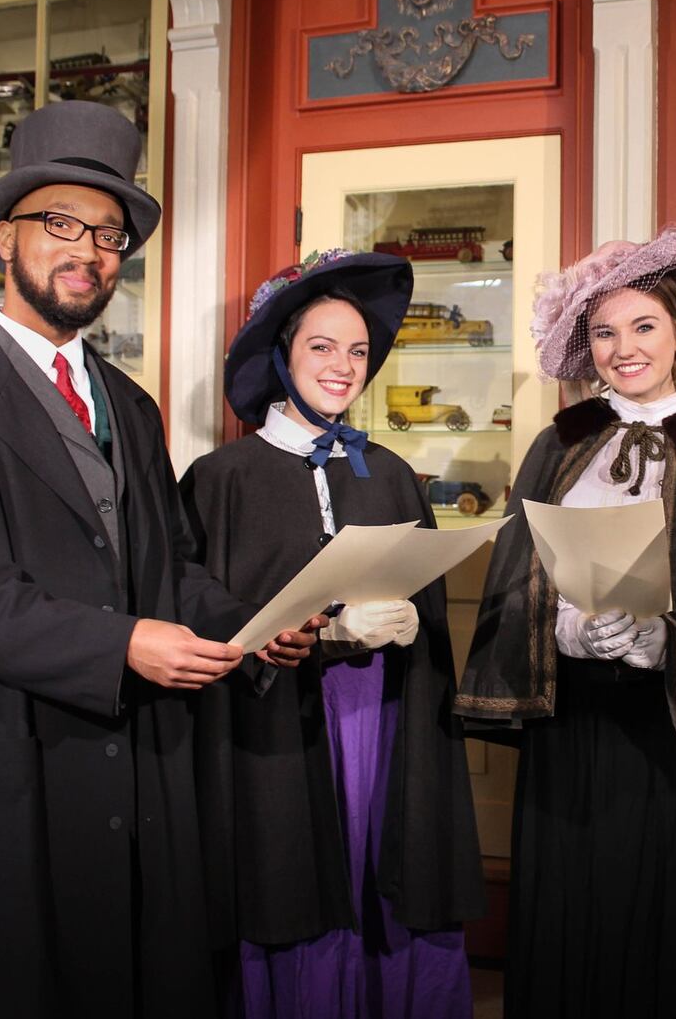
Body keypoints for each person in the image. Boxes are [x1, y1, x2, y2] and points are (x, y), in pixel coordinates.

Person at [0, 101, 321, 1019]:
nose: (89, 250)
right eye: (61, 223)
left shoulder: (130, 405)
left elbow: (170, 566)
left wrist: (251, 628)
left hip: (136, 759)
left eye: (108, 234)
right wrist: (120, 647)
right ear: (2, 239)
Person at [455, 230, 676, 1019]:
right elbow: (514, 572)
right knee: (575, 909)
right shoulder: (558, 445)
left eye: (643, 326)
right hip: (572, 720)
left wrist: (662, 634)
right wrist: (564, 629)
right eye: (604, 333)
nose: (624, 348)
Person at [181, 249, 484, 1017]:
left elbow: (420, 590)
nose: (344, 367)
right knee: (293, 871)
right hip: (279, 731)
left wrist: (414, 620)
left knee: (381, 860)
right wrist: (311, 633)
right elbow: (200, 610)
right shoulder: (219, 481)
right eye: (322, 347)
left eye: (358, 352)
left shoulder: (388, 472)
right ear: (282, 356)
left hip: (383, 722)